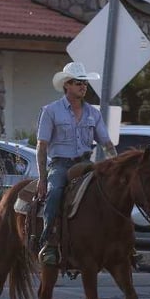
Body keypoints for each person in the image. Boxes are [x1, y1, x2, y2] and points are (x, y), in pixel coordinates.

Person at [36, 61, 117, 266]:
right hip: (61, 165)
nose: (83, 86)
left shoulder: (94, 113)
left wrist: (115, 165)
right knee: (55, 193)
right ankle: (50, 242)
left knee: (112, 192)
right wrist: (42, 179)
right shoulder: (51, 111)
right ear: (67, 85)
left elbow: (106, 143)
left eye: (85, 83)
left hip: (86, 164)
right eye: (78, 82)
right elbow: (42, 146)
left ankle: (118, 242)